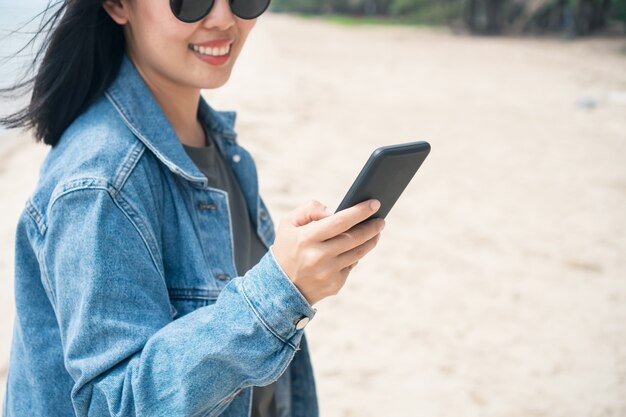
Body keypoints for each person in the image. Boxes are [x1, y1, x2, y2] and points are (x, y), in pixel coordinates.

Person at [0, 0, 385, 415]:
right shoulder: (100, 184)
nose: (223, 18)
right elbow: (117, 405)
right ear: (116, 5)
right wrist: (279, 290)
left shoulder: (220, 145)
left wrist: (289, 284)